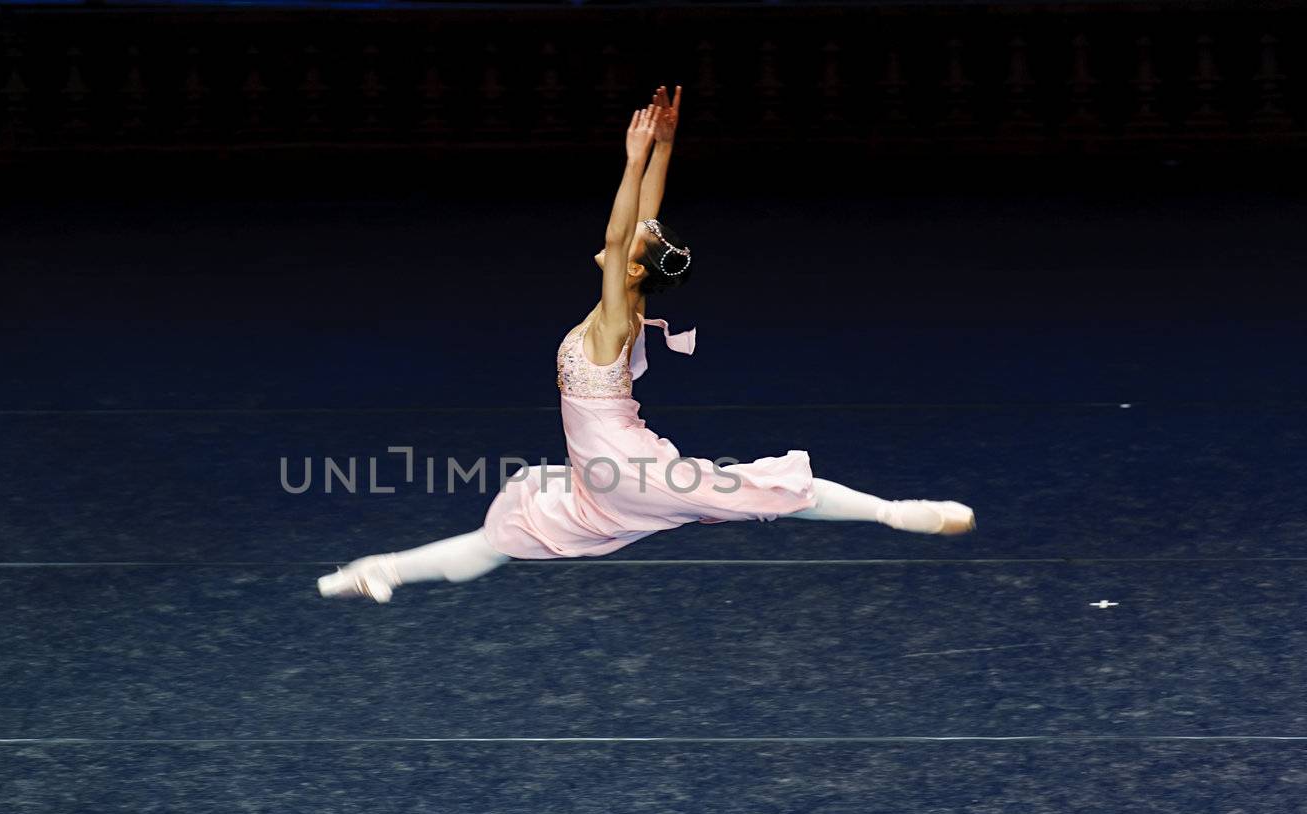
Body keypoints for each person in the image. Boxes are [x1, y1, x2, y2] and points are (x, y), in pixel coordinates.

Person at [320, 87, 973, 604]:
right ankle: (380, 570)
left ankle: (897, 512)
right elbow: (638, 224)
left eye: (626, 249)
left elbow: (619, 227)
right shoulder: (626, 303)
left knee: (767, 487)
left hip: (630, 475)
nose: (620, 240)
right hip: (599, 482)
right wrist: (664, 147)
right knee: (500, 539)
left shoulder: (612, 318)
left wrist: (632, 158)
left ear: (629, 270)